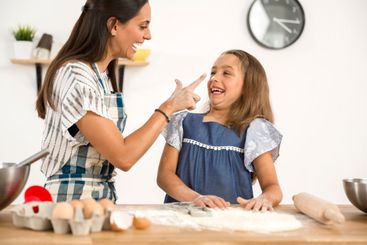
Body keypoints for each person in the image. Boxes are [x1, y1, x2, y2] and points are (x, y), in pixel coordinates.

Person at [35, 0, 205, 202]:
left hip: (98, 198)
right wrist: (169, 107)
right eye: (143, 26)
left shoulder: (102, 76)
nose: (148, 35)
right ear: (114, 25)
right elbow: (123, 156)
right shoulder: (77, 76)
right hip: (72, 201)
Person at [157, 49, 283, 211]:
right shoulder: (183, 122)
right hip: (181, 220)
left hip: (231, 225)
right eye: (213, 72)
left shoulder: (254, 130)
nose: (215, 78)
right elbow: (164, 176)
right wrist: (195, 198)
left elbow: (272, 187)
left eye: (227, 73)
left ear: (248, 86)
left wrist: (266, 198)